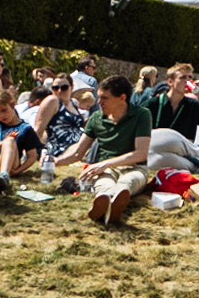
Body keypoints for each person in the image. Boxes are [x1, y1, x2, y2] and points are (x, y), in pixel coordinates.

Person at [55, 75, 154, 227]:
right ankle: (107, 205)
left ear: (122, 98)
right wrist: (56, 162)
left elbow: (141, 153)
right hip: (105, 170)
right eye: (99, 97)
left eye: (105, 98)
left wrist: (105, 164)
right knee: (104, 184)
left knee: (127, 182)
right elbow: (78, 153)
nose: (99, 102)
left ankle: (109, 207)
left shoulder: (142, 114)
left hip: (135, 167)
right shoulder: (96, 118)